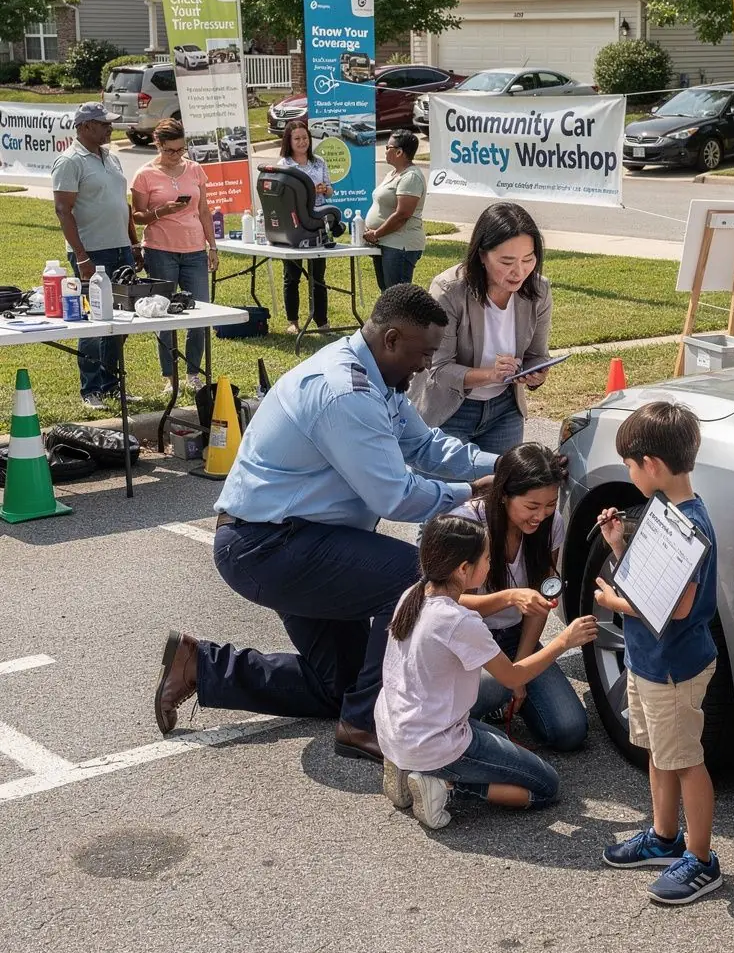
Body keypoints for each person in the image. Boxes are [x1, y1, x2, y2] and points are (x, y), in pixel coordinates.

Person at [153, 284, 499, 762]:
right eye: (423, 354)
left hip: (298, 541)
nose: (425, 366)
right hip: (268, 547)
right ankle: (362, 726)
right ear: (392, 339)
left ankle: (201, 667)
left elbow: (425, 447)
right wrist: (471, 492)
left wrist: (501, 466)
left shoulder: (376, 376)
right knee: (415, 577)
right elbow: (395, 496)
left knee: (343, 683)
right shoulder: (346, 394)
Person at [375, 513, 598, 829]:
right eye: (487, 559)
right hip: (433, 742)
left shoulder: (413, 595)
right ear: (463, 569)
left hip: (396, 728)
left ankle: (406, 767)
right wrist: (564, 641)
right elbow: (513, 677)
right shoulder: (459, 622)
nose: (491, 565)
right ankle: (444, 785)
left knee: (497, 734)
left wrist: (510, 597)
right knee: (546, 786)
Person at [593, 401, 722, 906]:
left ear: (650, 463)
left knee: (686, 761)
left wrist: (613, 603)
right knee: (659, 753)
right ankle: (664, 837)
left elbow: (675, 606)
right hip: (648, 661)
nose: (628, 473)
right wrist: (618, 546)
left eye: (629, 464)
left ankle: (701, 859)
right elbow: (653, 580)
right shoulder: (664, 511)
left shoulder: (689, 527)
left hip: (673, 669)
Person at [452, 443, 589, 751]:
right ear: (504, 494)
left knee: (569, 729)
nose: (541, 515)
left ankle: (489, 705)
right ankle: (463, 722)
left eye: (550, 504)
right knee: (490, 691)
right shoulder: (469, 525)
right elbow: (448, 605)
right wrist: (510, 598)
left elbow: (542, 599)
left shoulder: (552, 524)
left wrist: (522, 669)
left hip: (514, 636)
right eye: (532, 506)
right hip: (467, 637)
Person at [410, 202, 552, 453]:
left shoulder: (539, 289)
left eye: (528, 259)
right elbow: (438, 368)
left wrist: (536, 374)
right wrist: (491, 375)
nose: (519, 271)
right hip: (448, 410)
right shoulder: (448, 290)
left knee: (502, 478)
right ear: (482, 255)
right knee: (450, 479)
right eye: (507, 261)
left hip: (505, 409)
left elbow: (537, 355)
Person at [51, 101, 142, 409]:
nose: (110, 128)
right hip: (91, 253)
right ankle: (90, 389)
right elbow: (63, 210)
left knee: (121, 320)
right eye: (104, 124)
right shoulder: (69, 161)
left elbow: (122, 204)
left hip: (120, 249)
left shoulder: (111, 157)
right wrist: (82, 256)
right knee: (91, 322)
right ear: (85, 126)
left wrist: (133, 243)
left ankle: (111, 384)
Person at [130, 118, 218, 394]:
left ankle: (193, 373)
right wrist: (163, 211)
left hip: (194, 250)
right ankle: (170, 377)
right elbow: (136, 216)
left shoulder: (195, 170)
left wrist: (212, 246)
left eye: (181, 150)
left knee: (200, 313)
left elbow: (204, 210)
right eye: (170, 150)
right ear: (157, 145)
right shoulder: (144, 175)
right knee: (164, 314)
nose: (176, 155)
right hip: (160, 250)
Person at [276, 120, 333, 334]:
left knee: (318, 276)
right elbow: (280, 194)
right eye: (297, 138)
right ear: (289, 141)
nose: (302, 142)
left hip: (318, 223)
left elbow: (330, 191)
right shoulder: (284, 165)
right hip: (293, 224)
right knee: (292, 275)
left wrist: (324, 189)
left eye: (305, 138)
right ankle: (293, 321)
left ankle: (322, 321)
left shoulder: (319, 162)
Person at [363, 129, 427, 290]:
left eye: (388, 147)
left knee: (397, 296)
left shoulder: (411, 177)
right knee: (387, 293)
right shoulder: (393, 174)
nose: (385, 150)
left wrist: (376, 234)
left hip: (400, 244)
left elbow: (402, 215)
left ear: (399, 152)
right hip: (384, 242)